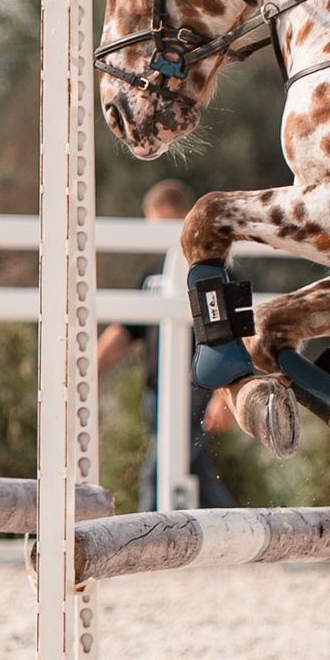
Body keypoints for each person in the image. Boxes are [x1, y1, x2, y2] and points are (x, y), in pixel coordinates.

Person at [94, 180, 236, 510]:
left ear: (186, 218)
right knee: (194, 473)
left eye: (164, 225)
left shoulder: (212, 271)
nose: (158, 236)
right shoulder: (153, 272)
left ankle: (144, 545)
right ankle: (241, 538)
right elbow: (127, 328)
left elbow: (230, 335)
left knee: (156, 475)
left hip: (192, 390)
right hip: (154, 393)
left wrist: (223, 394)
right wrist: (91, 366)